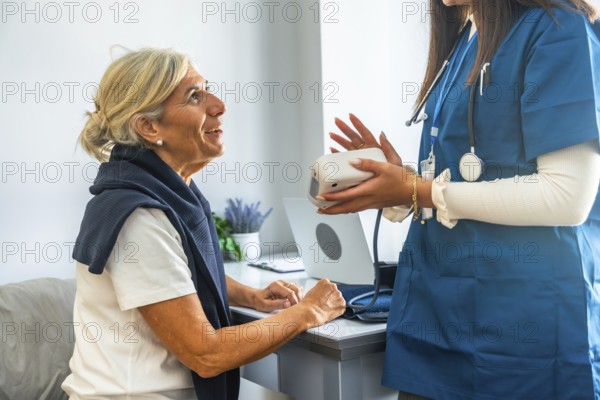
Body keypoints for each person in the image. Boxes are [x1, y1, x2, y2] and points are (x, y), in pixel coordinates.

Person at [319, 0, 600, 399]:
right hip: (434, 324)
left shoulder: (559, 29)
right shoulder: (467, 35)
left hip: (525, 338)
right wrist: (396, 185)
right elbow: (467, 173)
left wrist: (419, 190)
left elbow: (567, 196)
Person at [61, 48, 346, 400]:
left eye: (207, 89)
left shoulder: (159, 191)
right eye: (194, 96)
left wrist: (249, 295)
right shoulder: (139, 217)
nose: (218, 105)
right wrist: (309, 311)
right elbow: (206, 353)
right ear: (149, 127)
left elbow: (178, 273)